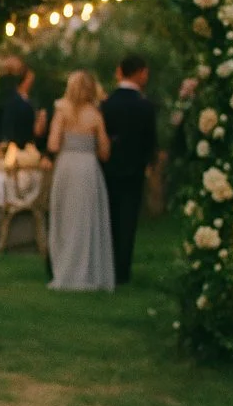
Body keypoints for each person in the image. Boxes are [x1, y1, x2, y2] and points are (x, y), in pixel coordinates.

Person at [47, 70, 115, 291]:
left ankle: (65, 269)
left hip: (67, 166)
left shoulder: (61, 111)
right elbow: (105, 152)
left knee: (65, 218)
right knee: (86, 219)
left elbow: (53, 145)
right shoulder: (96, 115)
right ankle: (86, 270)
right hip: (87, 168)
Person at [100, 55, 158, 285]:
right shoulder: (145, 106)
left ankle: (108, 265)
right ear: (140, 72)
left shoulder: (107, 104)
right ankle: (122, 270)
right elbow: (150, 141)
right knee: (128, 220)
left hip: (109, 169)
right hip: (134, 171)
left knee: (110, 217)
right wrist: (147, 164)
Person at [0, 65, 37, 147]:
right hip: (12, 143)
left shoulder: (29, 101)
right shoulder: (12, 98)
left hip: (24, 143)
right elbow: (7, 120)